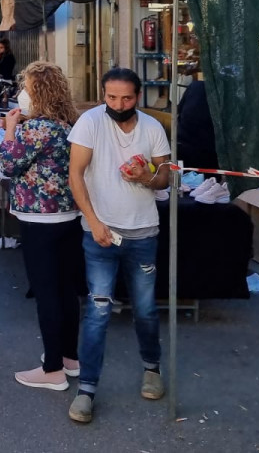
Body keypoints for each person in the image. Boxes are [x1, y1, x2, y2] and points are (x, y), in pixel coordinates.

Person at [67, 67, 171, 424]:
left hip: (144, 232)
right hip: (100, 234)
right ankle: (87, 389)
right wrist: (94, 222)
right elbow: (74, 175)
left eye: (125, 98)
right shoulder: (90, 123)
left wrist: (147, 177)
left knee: (145, 309)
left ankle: (152, 368)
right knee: (97, 312)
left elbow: (165, 177)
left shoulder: (153, 128)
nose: (118, 104)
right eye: (111, 97)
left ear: (137, 97)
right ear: (103, 95)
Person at [0, 61, 85, 391]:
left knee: (47, 291)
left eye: (27, 88)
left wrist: (9, 128)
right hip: (67, 216)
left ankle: (52, 369)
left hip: (39, 218)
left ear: (39, 93)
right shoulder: (67, 124)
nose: (22, 95)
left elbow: (8, 163)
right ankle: (70, 358)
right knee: (66, 290)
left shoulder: (38, 129)